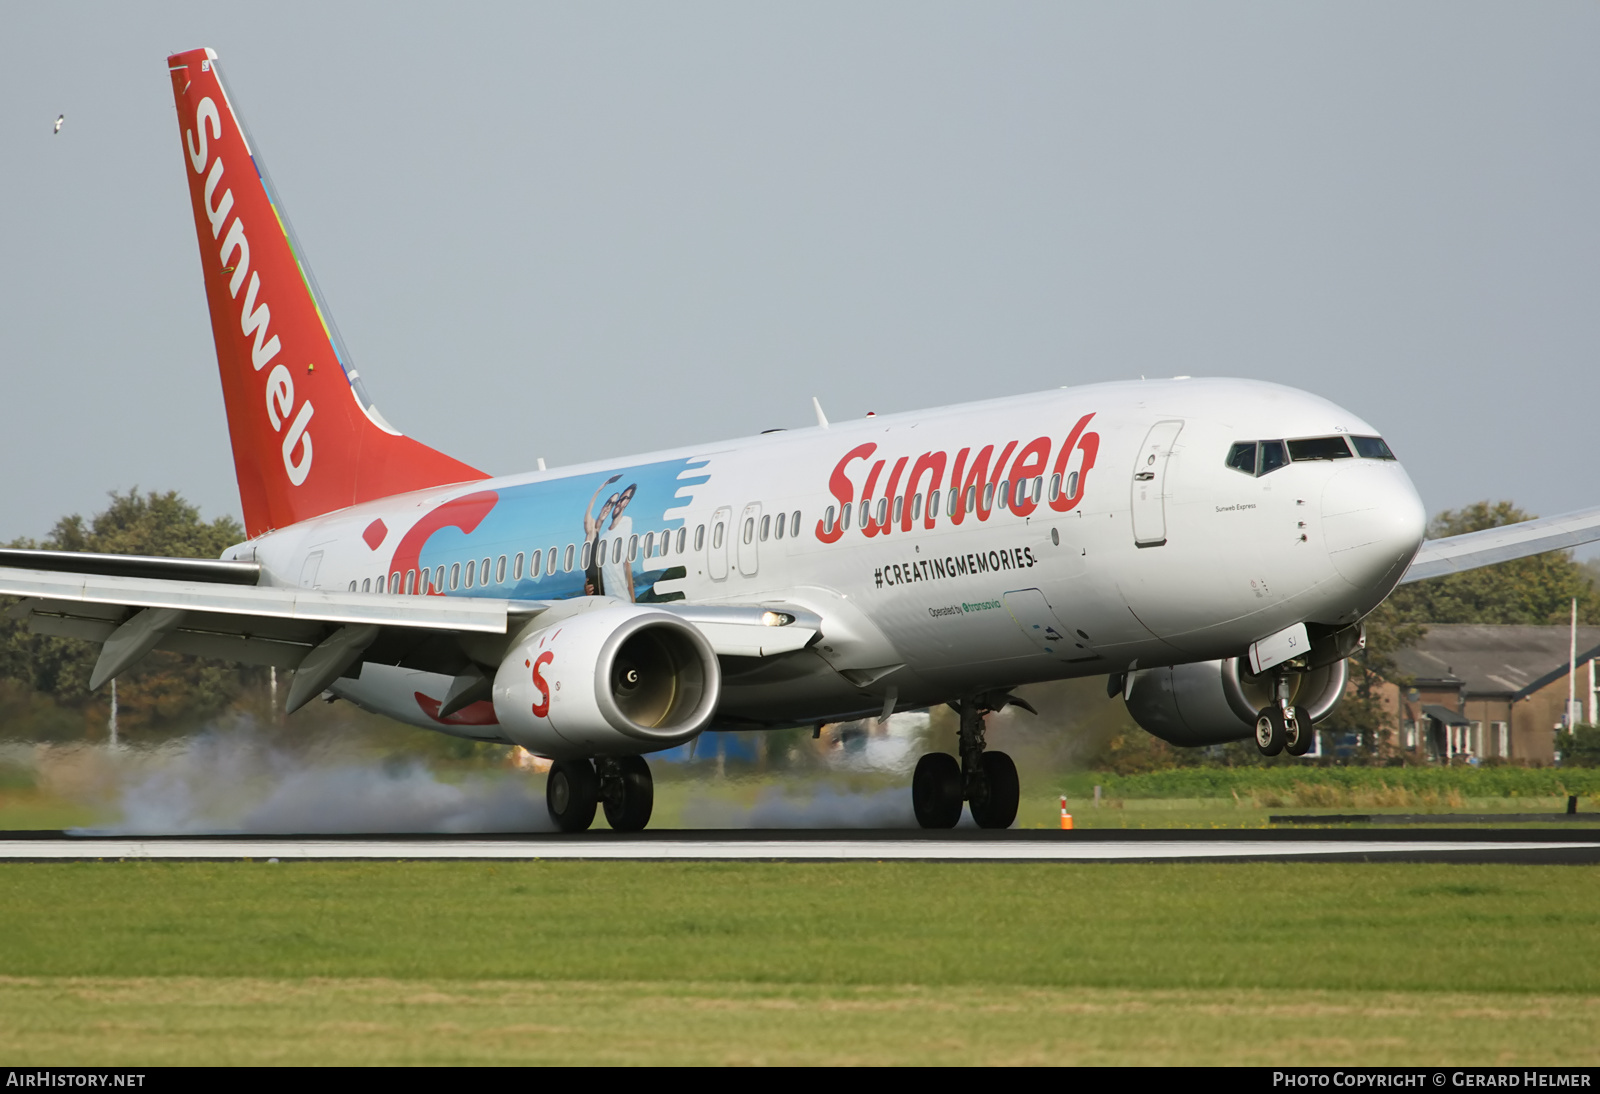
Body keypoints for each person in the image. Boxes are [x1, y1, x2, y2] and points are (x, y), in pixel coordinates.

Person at [582, 474, 622, 596]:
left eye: (612, 505)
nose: (608, 507)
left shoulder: (603, 536)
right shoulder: (592, 531)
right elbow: (588, 514)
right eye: (608, 503)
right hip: (596, 594)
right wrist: (602, 487)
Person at [599, 484, 637, 602]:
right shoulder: (603, 537)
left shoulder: (626, 522)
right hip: (607, 601)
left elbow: (627, 563)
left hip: (623, 599)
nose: (620, 502)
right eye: (620, 498)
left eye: (625, 499)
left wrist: (633, 600)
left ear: (627, 502)